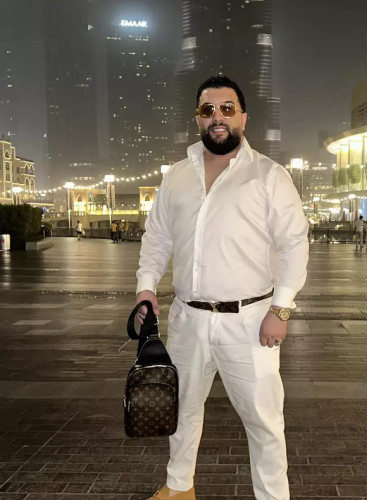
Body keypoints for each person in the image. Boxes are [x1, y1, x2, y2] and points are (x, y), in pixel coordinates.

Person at [136, 75, 309, 500]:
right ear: (197, 118)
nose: (217, 117)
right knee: (182, 410)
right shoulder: (177, 176)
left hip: (250, 321)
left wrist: (281, 308)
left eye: (227, 108)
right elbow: (157, 237)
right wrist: (146, 288)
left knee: (264, 422)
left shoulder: (269, 175)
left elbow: (294, 244)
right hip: (188, 318)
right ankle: (179, 489)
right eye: (207, 109)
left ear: (243, 118)